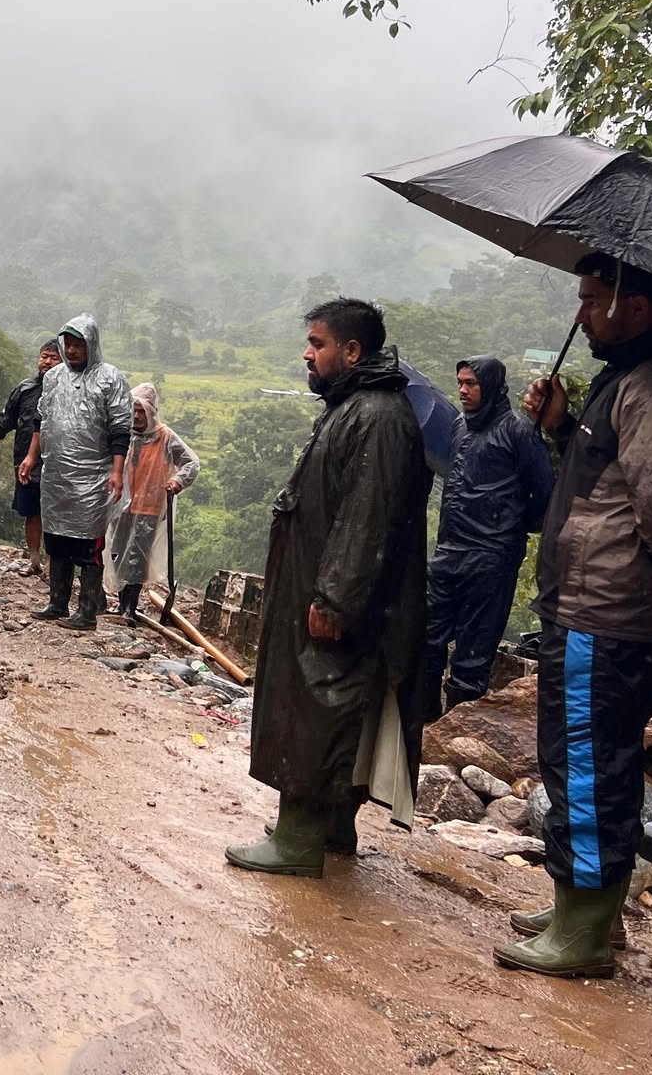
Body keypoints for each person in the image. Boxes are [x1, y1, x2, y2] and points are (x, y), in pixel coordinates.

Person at [495, 255, 652, 980]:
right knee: (582, 760)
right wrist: (561, 428)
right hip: (589, 605)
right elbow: (605, 486)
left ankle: (583, 930)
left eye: (592, 300)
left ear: (635, 307)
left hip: (608, 613)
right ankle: (588, 909)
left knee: (586, 768)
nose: (581, 313)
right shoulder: (625, 378)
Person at [227, 297, 430, 879]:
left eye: (317, 344)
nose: (307, 354)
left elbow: (368, 516)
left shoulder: (376, 416)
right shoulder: (357, 406)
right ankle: (334, 826)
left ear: (352, 351)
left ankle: (298, 838)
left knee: (320, 703)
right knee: (338, 705)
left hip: (338, 597)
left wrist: (336, 596)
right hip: (323, 586)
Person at [420, 356, 554, 721]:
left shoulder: (519, 431)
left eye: (471, 384)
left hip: (491, 558)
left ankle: (458, 730)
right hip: (449, 550)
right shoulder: (460, 426)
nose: (463, 390)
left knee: (473, 655)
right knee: (425, 641)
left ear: (491, 386)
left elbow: (546, 492)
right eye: (460, 383)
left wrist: (510, 524)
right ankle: (423, 725)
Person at [20, 314, 131, 633]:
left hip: (93, 477)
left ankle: (86, 613)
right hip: (57, 476)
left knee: (87, 547)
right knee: (57, 540)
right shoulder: (54, 377)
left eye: (78, 345)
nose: (71, 350)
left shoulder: (110, 378)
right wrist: (31, 457)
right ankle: (57, 603)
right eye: (67, 344)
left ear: (91, 345)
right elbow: (42, 419)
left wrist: (117, 471)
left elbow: (120, 429)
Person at [111, 382, 200, 624]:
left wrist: (177, 481)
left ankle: (129, 608)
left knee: (137, 558)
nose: (137, 416)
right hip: (120, 505)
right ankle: (120, 603)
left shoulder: (165, 437)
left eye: (142, 411)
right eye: (133, 410)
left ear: (151, 412)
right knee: (117, 553)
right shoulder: (124, 435)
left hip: (149, 508)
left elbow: (191, 463)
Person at [0, 340, 60, 573]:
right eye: (44, 356)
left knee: (54, 514)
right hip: (25, 462)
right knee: (31, 512)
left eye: (54, 358)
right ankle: (34, 560)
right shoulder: (26, 389)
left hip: (57, 462)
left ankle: (53, 565)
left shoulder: (68, 391)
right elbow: (8, 416)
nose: (47, 362)